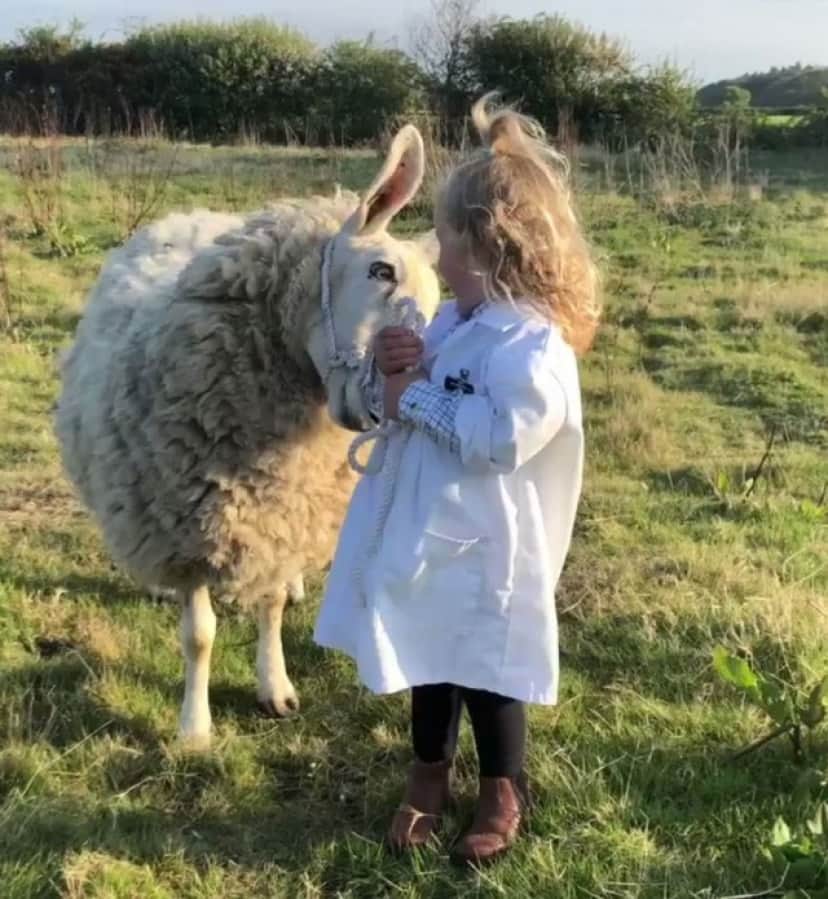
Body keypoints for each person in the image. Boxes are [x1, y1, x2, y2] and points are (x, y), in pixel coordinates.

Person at [314, 93, 600, 866]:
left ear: (488, 243)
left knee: (486, 666)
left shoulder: (535, 347)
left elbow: (502, 438)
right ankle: (428, 772)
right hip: (425, 524)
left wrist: (423, 394)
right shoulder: (456, 321)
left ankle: (504, 785)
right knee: (427, 656)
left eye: (442, 240)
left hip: (489, 542)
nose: (434, 258)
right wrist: (393, 370)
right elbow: (399, 408)